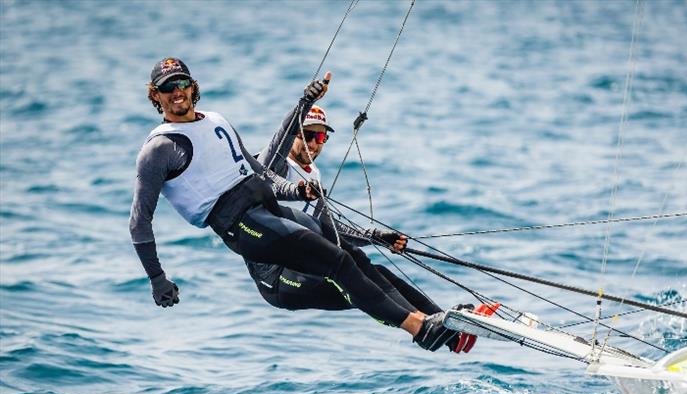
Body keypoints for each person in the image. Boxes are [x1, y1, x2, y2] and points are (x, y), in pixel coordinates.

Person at [129, 57, 466, 352]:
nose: (177, 92)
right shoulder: (159, 148)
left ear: (192, 86)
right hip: (241, 224)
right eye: (167, 87)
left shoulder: (216, 120)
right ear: (155, 95)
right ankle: (421, 329)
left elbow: (258, 171)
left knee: (353, 257)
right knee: (337, 262)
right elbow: (139, 221)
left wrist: (295, 191)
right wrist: (157, 278)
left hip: (266, 207)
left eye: (182, 83)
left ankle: (444, 326)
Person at [243, 105, 476, 352]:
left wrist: (375, 237)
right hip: (280, 279)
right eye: (307, 135)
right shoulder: (273, 167)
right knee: (353, 281)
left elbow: (330, 229)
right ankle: (424, 330)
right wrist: (305, 102)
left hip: (311, 266)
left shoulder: (315, 176)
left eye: (320, 137)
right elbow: (276, 149)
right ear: (294, 134)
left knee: (378, 274)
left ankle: (447, 330)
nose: (313, 144)